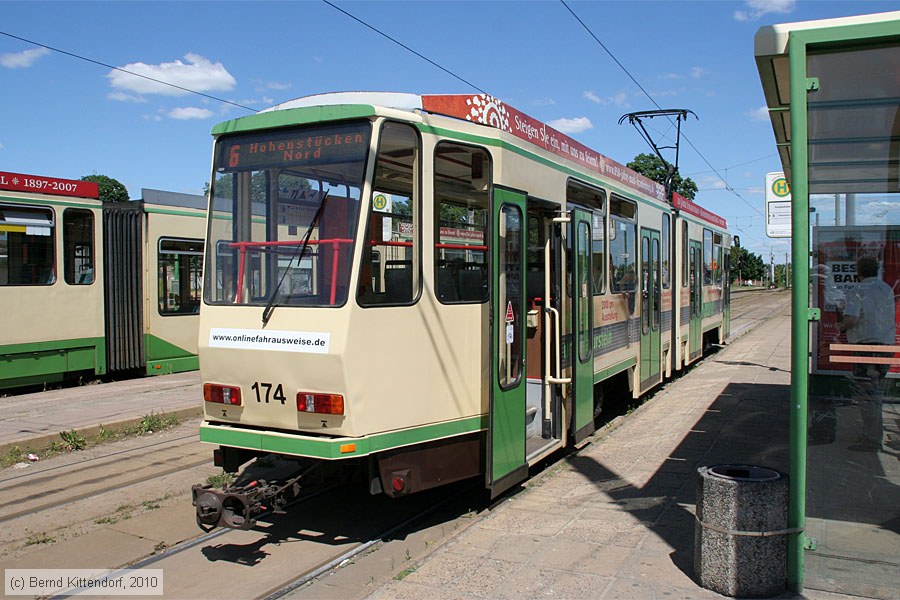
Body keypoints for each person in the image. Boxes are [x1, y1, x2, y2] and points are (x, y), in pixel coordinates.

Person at [839, 255, 895, 452]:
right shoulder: (886, 288)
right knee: (875, 391)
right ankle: (872, 434)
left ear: (858, 272)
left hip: (867, 347)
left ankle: (871, 439)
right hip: (886, 346)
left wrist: (842, 326)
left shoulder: (858, 290)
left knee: (867, 394)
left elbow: (852, 319)